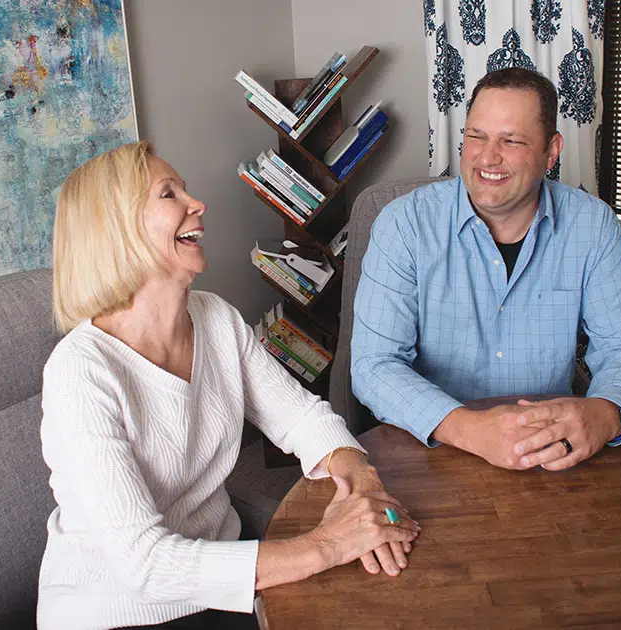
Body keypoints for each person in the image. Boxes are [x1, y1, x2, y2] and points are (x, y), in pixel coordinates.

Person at [38, 141, 420, 630]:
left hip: (224, 583)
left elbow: (303, 419)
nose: (197, 203)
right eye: (168, 194)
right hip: (120, 610)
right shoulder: (80, 372)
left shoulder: (215, 317)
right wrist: (330, 543)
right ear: (116, 230)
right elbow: (146, 567)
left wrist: (362, 483)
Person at [351, 67, 621, 473]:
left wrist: (604, 414)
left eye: (511, 141)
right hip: (434, 451)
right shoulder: (404, 224)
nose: (487, 157)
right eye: (475, 136)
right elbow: (374, 365)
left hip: (551, 454)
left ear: (551, 152)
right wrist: (473, 430)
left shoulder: (592, 225)